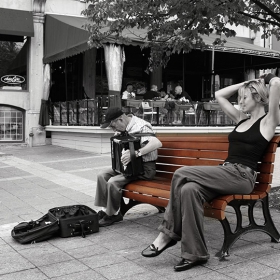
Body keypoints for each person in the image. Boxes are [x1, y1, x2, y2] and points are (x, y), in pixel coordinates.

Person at [141, 74, 280, 271]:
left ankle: (167, 234)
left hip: (242, 176)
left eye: (244, 98)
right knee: (189, 190)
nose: (239, 102)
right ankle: (195, 254)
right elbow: (219, 95)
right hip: (226, 172)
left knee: (181, 173)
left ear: (258, 97)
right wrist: (246, 85)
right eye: (239, 98)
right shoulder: (241, 119)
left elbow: (276, 84)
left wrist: (264, 79)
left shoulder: (269, 121)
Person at [95, 107, 162, 227]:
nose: (113, 130)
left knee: (113, 182)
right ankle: (105, 210)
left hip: (145, 169)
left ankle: (114, 214)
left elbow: (157, 143)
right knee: (102, 175)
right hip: (129, 167)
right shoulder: (124, 128)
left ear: (120, 119)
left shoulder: (141, 126)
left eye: (113, 126)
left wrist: (135, 154)